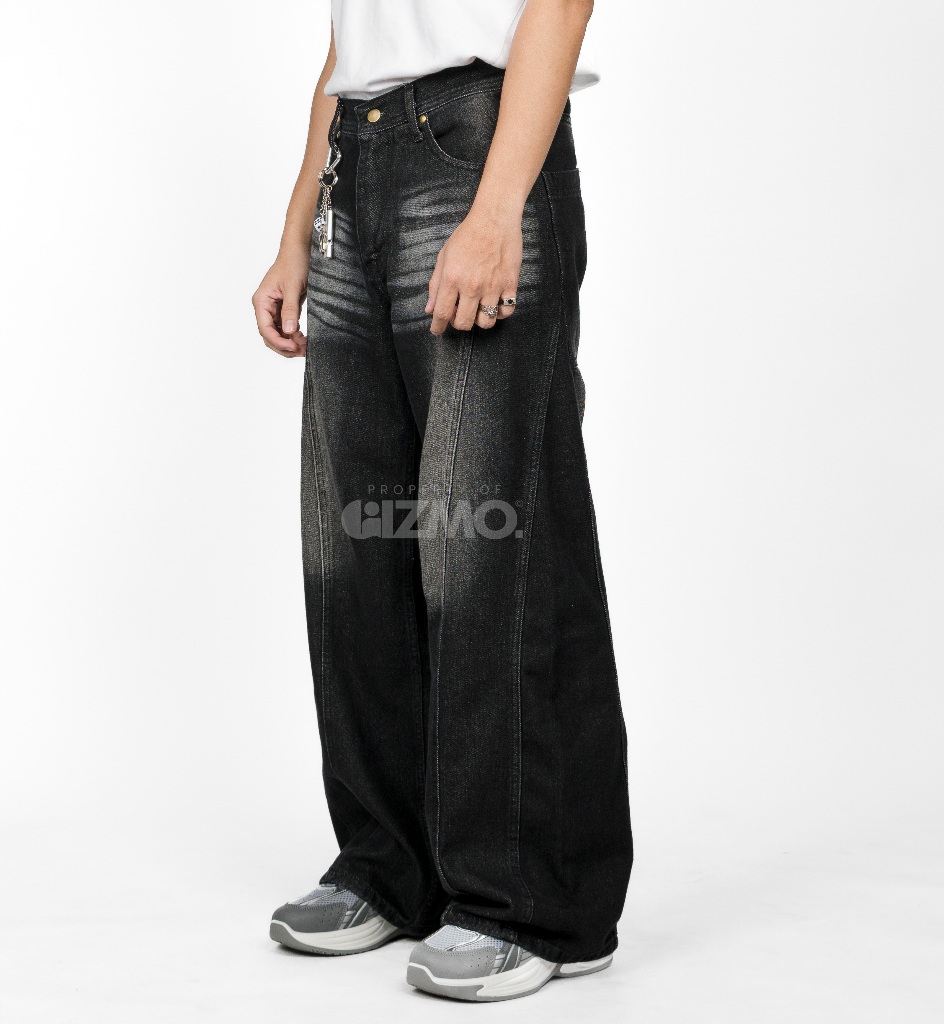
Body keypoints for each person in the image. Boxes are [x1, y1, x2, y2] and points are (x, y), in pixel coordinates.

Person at [252, 0, 633, 1003]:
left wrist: (499, 208)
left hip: (477, 146)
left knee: (488, 538)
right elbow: (353, 39)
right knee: (358, 547)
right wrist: (296, 230)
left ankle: (531, 901)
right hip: (355, 158)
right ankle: (391, 865)